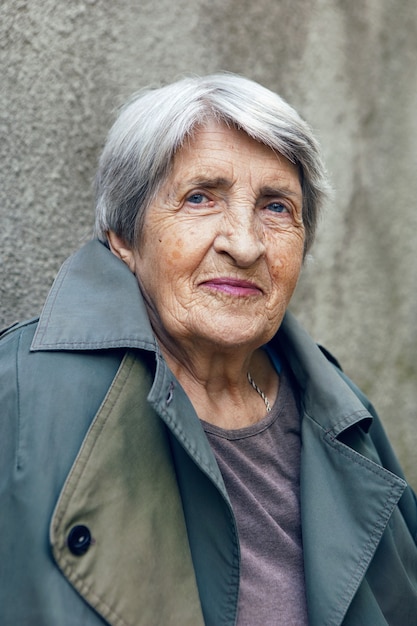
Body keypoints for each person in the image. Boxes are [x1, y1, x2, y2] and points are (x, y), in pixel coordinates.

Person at [1, 73, 416, 626]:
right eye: (201, 197)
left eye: (275, 207)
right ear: (124, 237)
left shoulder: (342, 416)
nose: (244, 244)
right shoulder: (22, 393)